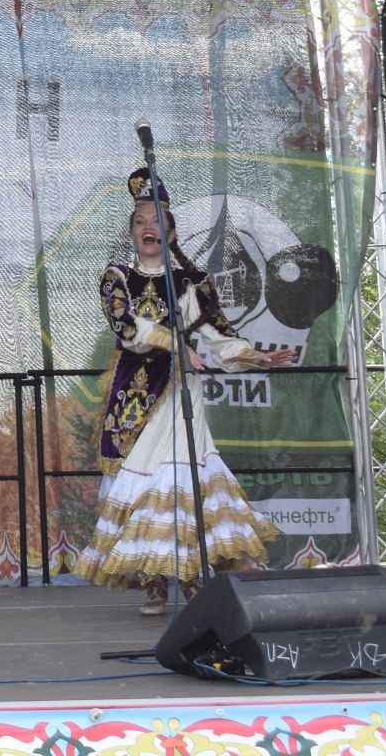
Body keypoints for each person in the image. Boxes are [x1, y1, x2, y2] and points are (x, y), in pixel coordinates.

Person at [72, 167, 299, 614]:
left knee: (182, 483)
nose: (148, 228)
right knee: (145, 487)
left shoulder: (189, 284)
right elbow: (127, 328)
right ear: (132, 233)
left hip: (182, 397)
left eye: (156, 220)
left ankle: (191, 576)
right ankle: (155, 578)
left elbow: (215, 337)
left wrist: (256, 356)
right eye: (139, 222)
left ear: (171, 232)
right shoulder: (116, 278)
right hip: (137, 396)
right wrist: (174, 342)